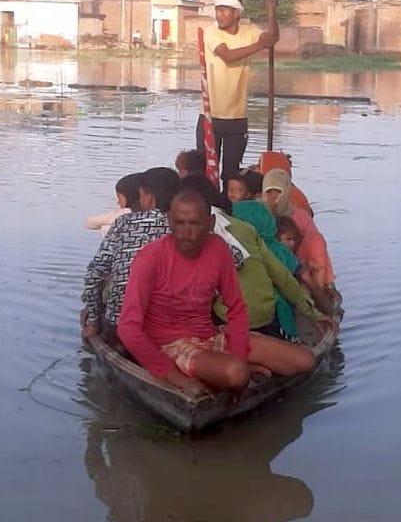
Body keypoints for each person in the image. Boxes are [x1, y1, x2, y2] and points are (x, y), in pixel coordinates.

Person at [117, 191, 315, 398]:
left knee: (305, 361)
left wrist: (239, 356)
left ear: (211, 223)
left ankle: (228, 369)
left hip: (210, 336)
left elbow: (236, 308)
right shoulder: (150, 257)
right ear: (169, 221)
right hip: (170, 344)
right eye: (179, 223)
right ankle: (225, 371)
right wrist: (177, 379)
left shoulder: (217, 248)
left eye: (194, 224)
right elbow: (128, 328)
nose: (186, 232)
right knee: (236, 374)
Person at [80, 168, 181, 338]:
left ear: (148, 198)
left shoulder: (125, 223)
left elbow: (94, 275)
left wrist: (92, 320)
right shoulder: (189, 225)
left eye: (141, 195)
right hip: (175, 321)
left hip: (121, 321)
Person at [197, 0, 279, 178]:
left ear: (236, 13)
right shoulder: (211, 33)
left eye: (224, 10)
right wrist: (260, 46)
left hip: (237, 117)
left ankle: (229, 206)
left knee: (231, 172)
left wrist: (271, 11)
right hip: (210, 116)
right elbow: (228, 56)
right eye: (217, 10)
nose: (219, 15)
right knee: (206, 170)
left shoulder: (248, 33)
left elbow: (272, 38)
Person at [226, 198, 325, 340]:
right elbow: (293, 279)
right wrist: (320, 312)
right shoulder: (277, 250)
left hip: (233, 318)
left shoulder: (231, 246)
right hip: (271, 316)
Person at [262, 168, 336, 293]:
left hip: (299, 265)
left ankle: (322, 288)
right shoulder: (258, 213)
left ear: (286, 192)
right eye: (269, 192)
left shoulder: (301, 217)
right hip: (268, 263)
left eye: (278, 192)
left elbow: (316, 245)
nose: (273, 197)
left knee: (317, 240)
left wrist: (329, 282)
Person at [84, 172, 143, 237]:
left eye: (119, 199)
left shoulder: (124, 213)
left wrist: (115, 215)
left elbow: (89, 223)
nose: (118, 202)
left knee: (106, 227)